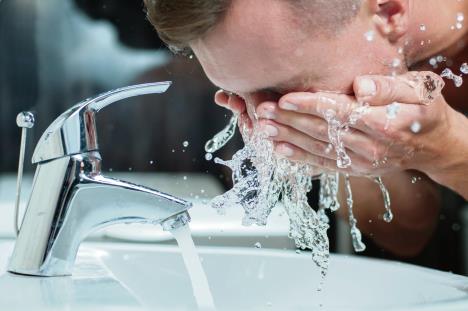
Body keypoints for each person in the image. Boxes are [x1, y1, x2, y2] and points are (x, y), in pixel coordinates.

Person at [143, 0, 468, 257]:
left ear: (389, 11)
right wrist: (364, 157)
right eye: (238, 94)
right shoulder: (341, 52)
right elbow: (409, 236)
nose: (265, 120)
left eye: (284, 92)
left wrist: (449, 151)